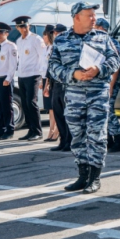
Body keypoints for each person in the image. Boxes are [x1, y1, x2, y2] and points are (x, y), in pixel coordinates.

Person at [48, 2, 120, 194]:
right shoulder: (61, 40)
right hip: (74, 96)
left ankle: (95, 178)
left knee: (96, 135)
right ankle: (82, 176)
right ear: (76, 17)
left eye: (94, 15)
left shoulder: (102, 38)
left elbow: (115, 60)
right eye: (89, 15)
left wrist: (99, 69)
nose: (94, 19)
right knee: (77, 135)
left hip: (98, 95)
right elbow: (53, 66)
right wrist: (73, 74)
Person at [13, 15, 47, 142]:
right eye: (20, 26)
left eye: (25, 26)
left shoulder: (36, 39)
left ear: (29, 26)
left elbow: (43, 57)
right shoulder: (19, 41)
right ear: (17, 28)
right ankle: (31, 129)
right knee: (25, 104)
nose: (23, 29)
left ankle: (38, 131)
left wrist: (42, 77)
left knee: (31, 102)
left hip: (33, 74)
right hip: (22, 75)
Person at [95, 17, 120, 153]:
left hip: (110, 83)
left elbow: (116, 67)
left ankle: (118, 141)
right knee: (103, 112)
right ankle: (109, 140)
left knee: (109, 112)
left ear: (102, 28)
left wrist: (111, 86)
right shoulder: (98, 42)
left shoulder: (111, 42)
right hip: (101, 83)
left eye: (96, 26)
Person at [48, 24, 71, 152]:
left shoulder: (67, 47)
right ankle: (62, 141)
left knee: (67, 115)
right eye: (54, 33)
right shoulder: (54, 47)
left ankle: (70, 141)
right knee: (58, 115)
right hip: (55, 84)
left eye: (58, 33)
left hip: (65, 84)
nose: (55, 35)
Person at [42, 25, 59, 142]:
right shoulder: (46, 48)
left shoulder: (54, 48)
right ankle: (51, 130)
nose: (43, 37)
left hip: (53, 79)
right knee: (50, 108)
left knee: (55, 108)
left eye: (44, 35)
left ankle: (56, 131)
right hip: (46, 78)